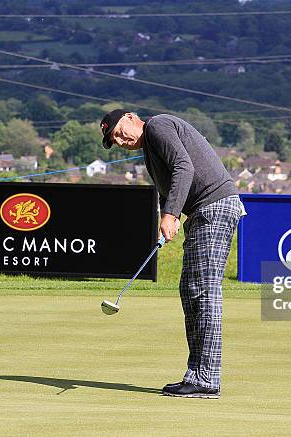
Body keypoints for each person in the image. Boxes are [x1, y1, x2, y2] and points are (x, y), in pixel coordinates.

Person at [100, 109, 245, 399]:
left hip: (213, 207)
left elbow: (183, 166)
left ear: (130, 117)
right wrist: (165, 219)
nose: (120, 140)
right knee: (190, 289)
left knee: (203, 292)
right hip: (205, 211)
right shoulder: (150, 152)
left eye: (118, 131)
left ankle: (206, 379)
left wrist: (171, 215)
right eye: (114, 140)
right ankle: (198, 375)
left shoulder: (158, 126)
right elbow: (168, 186)